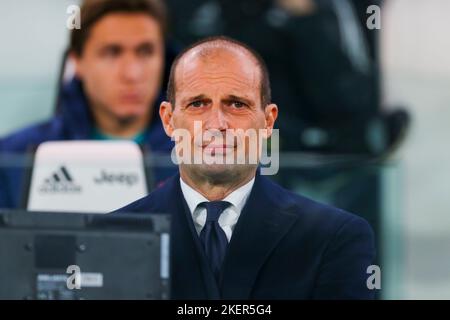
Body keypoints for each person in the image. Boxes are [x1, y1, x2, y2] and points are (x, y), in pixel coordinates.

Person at [116, 36, 376, 299]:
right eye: (197, 104)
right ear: (169, 120)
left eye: (237, 104)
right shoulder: (116, 236)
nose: (217, 124)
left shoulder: (335, 238)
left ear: (268, 121)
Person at [0, 0, 177, 209]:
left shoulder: (197, 155)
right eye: (112, 52)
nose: (132, 73)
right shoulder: (12, 157)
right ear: (77, 61)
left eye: (146, 51)